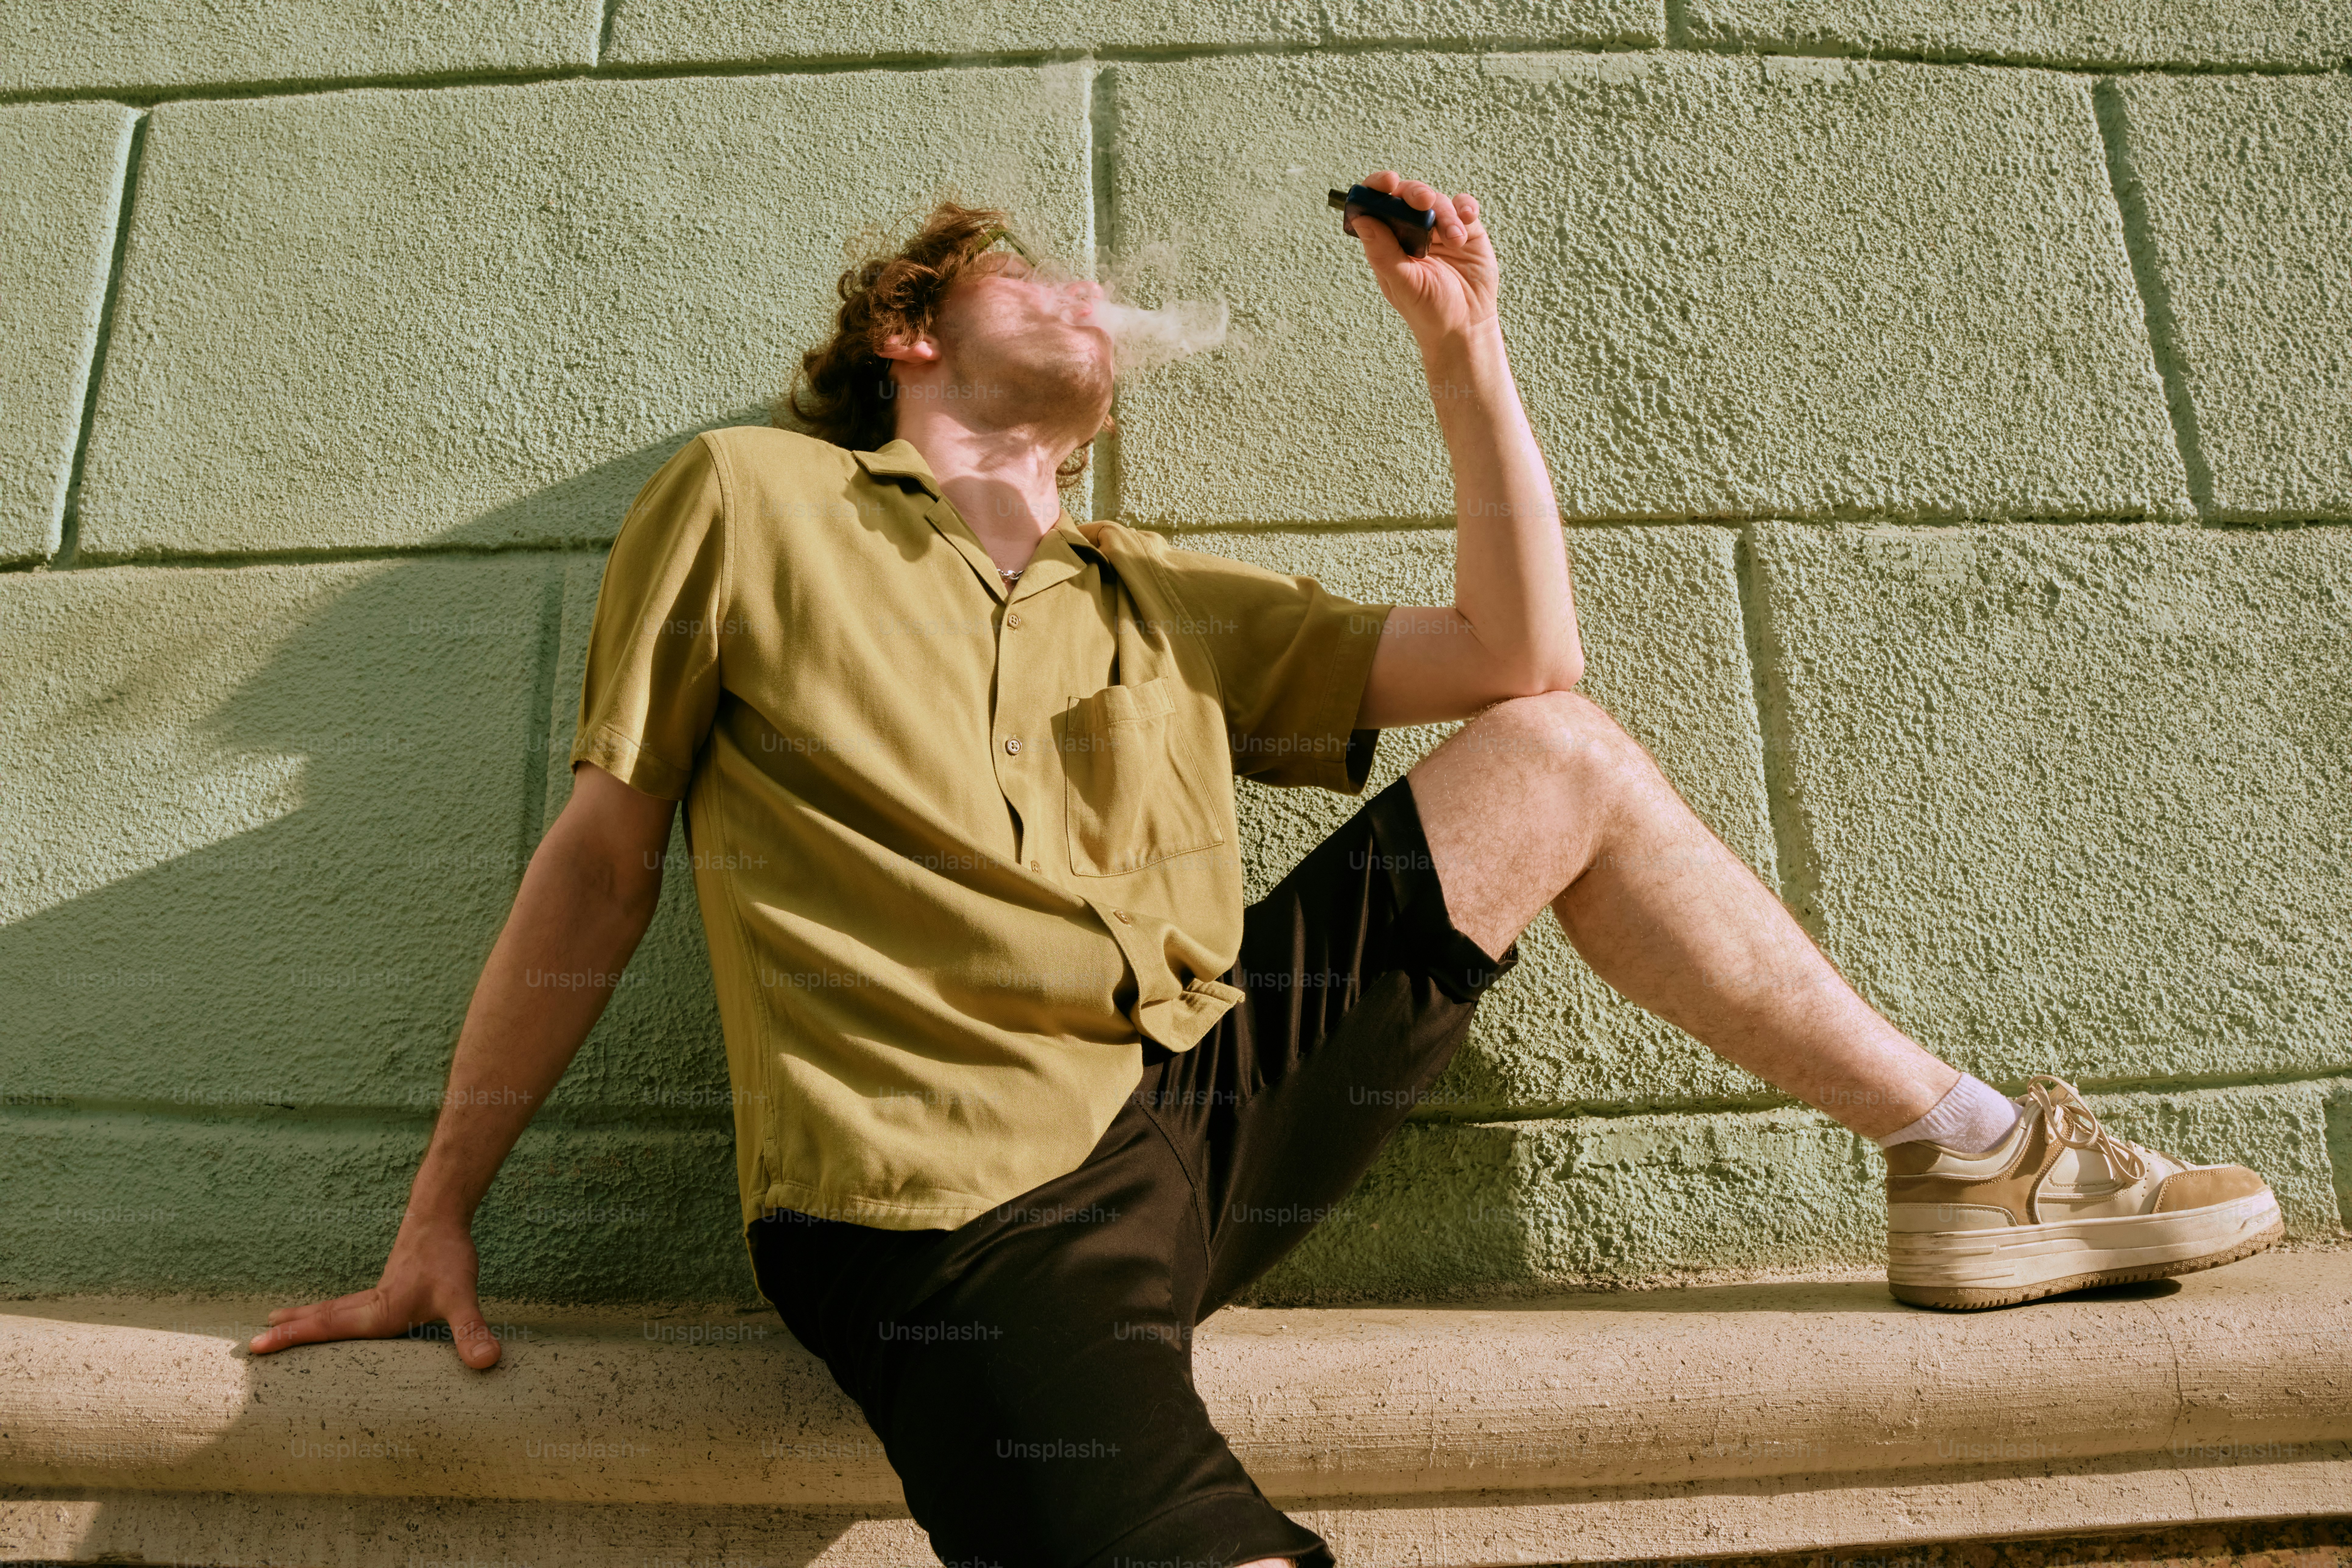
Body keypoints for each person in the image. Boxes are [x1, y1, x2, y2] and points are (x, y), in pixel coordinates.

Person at [250, 172, 2282, 1568]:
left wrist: (1460, 351)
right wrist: (443, 1209)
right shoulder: (756, 501)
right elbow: (603, 861)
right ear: (906, 329)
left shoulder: (1150, 592)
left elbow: (1516, 666)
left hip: (1202, 1105)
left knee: (1558, 757)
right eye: (1022, 273)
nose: (1084, 294)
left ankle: (1972, 1151)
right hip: (959, 1214)